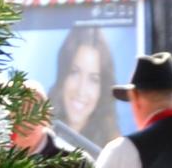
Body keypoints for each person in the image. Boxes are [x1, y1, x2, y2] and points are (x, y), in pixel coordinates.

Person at [45, 23, 119, 152]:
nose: (81, 90)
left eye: (93, 79)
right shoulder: (38, 131)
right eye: (74, 72)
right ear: (63, 76)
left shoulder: (114, 148)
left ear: (102, 89)